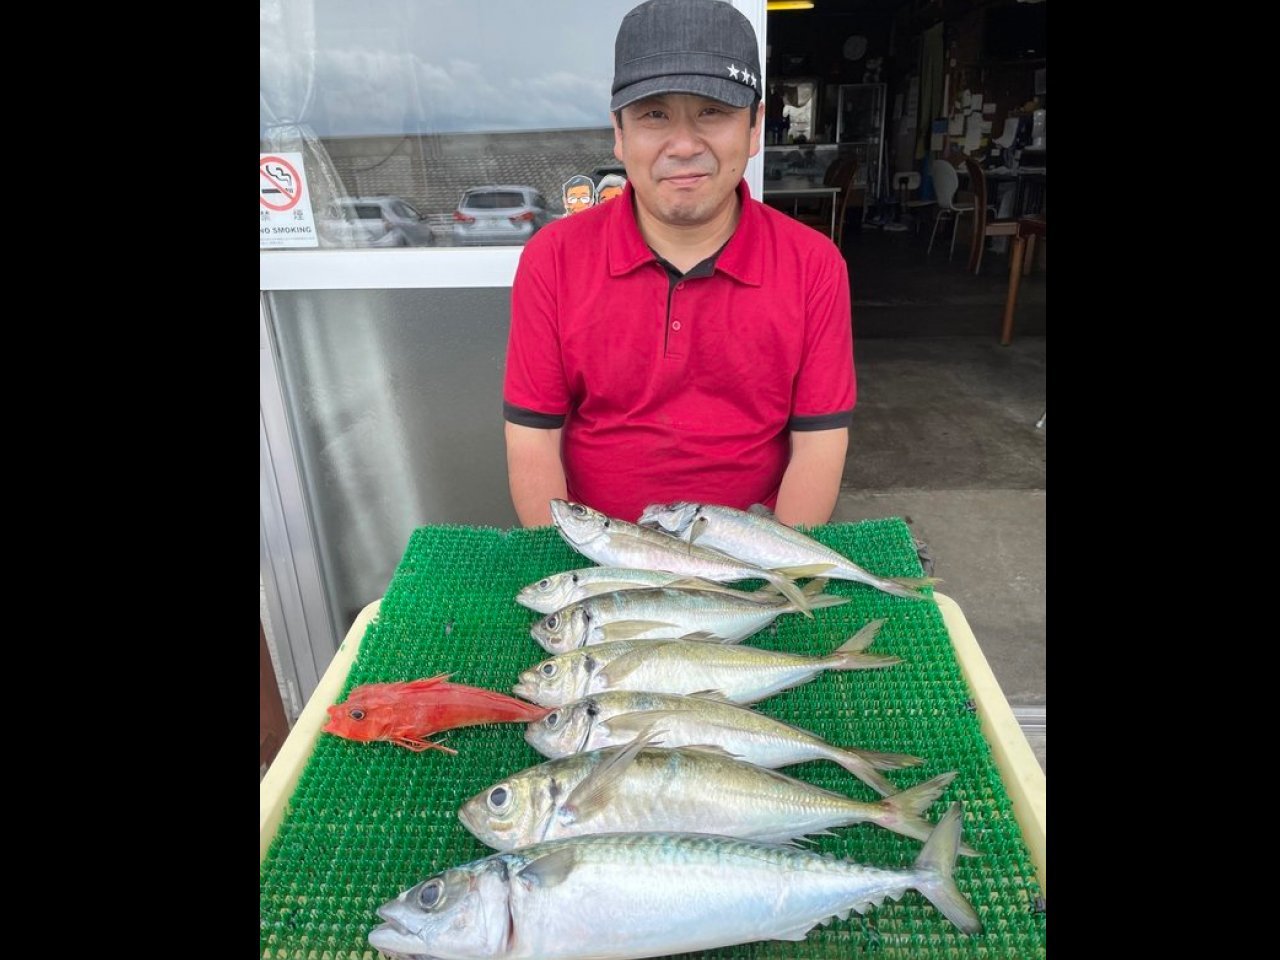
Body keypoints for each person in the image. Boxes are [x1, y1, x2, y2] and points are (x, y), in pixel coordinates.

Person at [503, 0, 854, 527]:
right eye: (654, 114)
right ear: (619, 133)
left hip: (751, 557)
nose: (685, 145)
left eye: (713, 111)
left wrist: (769, 586)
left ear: (755, 126)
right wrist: (584, 577)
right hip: (601, 552)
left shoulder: (814, 265)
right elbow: (534, 438)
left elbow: (819, 445)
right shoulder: (552, 259)